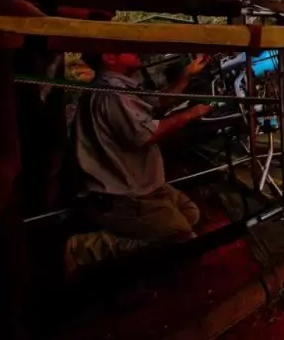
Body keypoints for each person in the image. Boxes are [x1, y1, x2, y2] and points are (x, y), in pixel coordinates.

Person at [64, 52, 212, 272]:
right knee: (182, 241)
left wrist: (186, 75)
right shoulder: (112, 93)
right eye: (125, 49)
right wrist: (189, 115)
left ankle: (137, 229)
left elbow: (157, 103)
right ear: (109, 58)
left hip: (142, 186)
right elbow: (145, 135)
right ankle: (86, 248)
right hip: (122, 195)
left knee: (191, 214)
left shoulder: (121, 86)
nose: (135, 50)